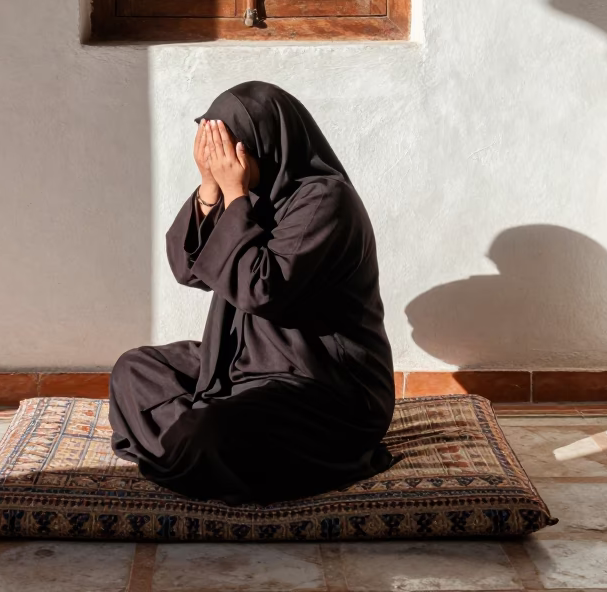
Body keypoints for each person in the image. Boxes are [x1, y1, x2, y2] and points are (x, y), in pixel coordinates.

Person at [109, 81, 396, 505]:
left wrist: (236, 195)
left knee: (207, 432)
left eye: (227, 149)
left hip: (321, 385)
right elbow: (188, 271)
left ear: (263, 145)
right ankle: (196, 445)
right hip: (242, 360)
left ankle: (194, 443)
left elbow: (262, 289)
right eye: (212, 148)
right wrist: (209, 189)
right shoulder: (248, 196)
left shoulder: (325, 201)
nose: (220, 160)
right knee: (133, 370)